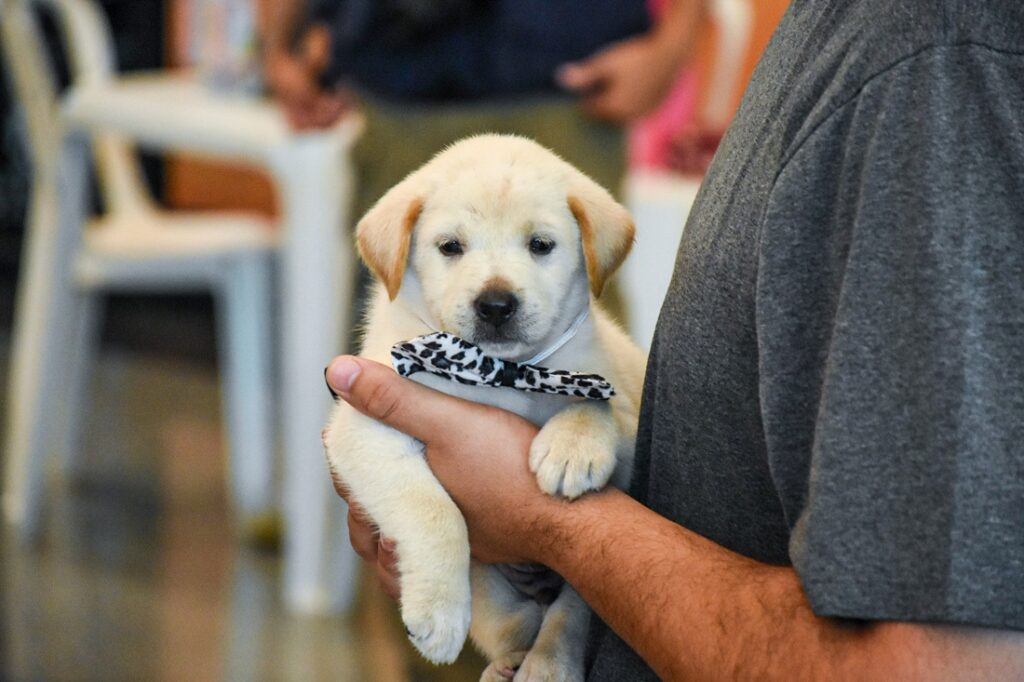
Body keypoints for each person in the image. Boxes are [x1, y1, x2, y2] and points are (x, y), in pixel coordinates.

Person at [326, 0, 1024, 678]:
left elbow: (947, 656)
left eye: (541, 244)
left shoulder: (939, 56)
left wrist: (548, 524)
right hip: (393, 72)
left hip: (555, 65)